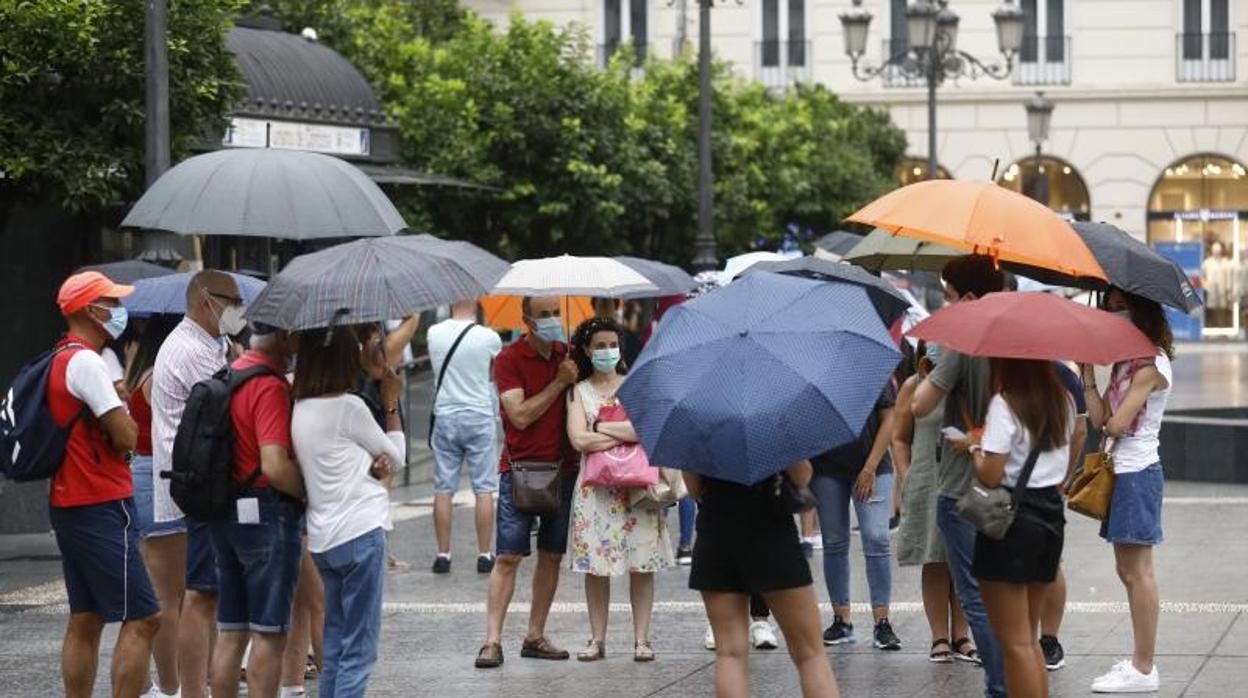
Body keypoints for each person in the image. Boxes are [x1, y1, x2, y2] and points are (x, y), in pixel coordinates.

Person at [45, 272, 161, 698]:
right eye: (111, 302)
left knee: (88, 615)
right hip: (100, 501)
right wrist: (121, 405)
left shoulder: (62, 356)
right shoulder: (87, 362)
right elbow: (128, 436)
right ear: (91, 310)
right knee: (145, 617)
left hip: (71, 500)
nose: (118, 311)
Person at [911, 254, 1009, 698]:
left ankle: (1000, 684)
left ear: (968, 298)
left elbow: (919, 406)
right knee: (1005, 589)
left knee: (974, 591)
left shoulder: (964, 346)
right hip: (1012, 483)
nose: (944, 305)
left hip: (962, 485)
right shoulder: (1017, 341)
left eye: (948, 297)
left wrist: (940, 358)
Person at [292, 326, 406, 697]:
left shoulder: (299, 407)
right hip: (360, 531)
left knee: (337, 645)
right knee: (359, 649)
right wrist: (391, 403)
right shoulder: (350, 407)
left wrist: (370, 464)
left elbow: (339, 459)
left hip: (324, 539)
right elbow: (398, 457)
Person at [149, 269, 245, 698]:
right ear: (207, 300)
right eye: (233, 302)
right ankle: (192, 690)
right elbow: (233, 404)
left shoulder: (209, 344)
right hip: (198, 487)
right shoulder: (190, 349)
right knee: (200, 594)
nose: (238, 311)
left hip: (200, 483)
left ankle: (201, 684)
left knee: (204, 593)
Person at [474, 296, 580, 669]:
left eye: (556, 313)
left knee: (552, 554)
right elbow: (518, 416)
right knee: (507, 556)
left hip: (564, 467)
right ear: (527, 321)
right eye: (544, 315)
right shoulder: (508, 359)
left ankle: (535, 634)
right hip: (520, 469)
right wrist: (558, 383)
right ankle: (491, 641)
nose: (553, 320)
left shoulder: (569, 355)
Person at [565, 317, 673, 662]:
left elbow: (648, 430)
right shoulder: (577, 391)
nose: (607, 351)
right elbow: (578, 439)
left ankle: (642, 640)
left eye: (612, 344)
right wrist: (621, 429)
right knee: (596, 567)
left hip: (638, 490)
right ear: (586, 350)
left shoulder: (636, 386)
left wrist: (601, 426)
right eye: (599, 346)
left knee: (643, 564)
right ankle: (597, 639)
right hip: (595, 493)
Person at [1082, 288, 1173, 694]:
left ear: (1138, 310)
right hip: (1121, 472)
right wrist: (1086, 374)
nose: (1109, 313)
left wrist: (1107, 417)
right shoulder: (1125, 362)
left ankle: (1143, 667)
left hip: (1138, 472)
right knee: (1126, 570)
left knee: (1138, 573)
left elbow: (1116, 425)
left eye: (1116, 306)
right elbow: (1099, 417)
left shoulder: (1151, 365)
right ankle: (1139, 660)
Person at [209, 323, 305, 698]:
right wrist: (304, 492)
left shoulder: (230, 373)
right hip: (265, 514)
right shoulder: (269, 385)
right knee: (269, 631)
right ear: (283, 337)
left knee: (231, 630)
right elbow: (274, 465)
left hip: (225, 510)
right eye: (296, 336)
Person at [686, 463, 839, 698]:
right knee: (810, 654)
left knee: (729, 653)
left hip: (716, 531)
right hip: (771, 528)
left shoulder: (697, 425)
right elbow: (802, 476)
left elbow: (695, 489)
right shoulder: (772, 425)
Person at [971, 358, 1074, 698]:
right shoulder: (1063, 400)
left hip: (1014, 523)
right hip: (1050, 517)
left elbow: (991, 474)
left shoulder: (1005, 403)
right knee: (1028, 639)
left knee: (1015, 642)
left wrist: (975, 450)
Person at [893, 342, 976, 664]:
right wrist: (907, 474)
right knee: (934, 558)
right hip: (926, 479)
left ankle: (962, 636)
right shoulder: (914, 385)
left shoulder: (972, 388)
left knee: (963, 560)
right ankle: (939, 636)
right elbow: (899, 437)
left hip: (965, 479)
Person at [810, 381, 902, 651]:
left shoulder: (872, 367)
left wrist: (870, 467)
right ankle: (842, 619)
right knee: (834, 541)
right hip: (826, 468)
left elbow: (889, 418)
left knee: (877, 539)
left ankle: (882, 621)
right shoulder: (818, 371)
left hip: (873, 465)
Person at [120, 313, 181, 697]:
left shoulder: (139, 372)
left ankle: (163, 684)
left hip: (142, 474)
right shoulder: (160, 375)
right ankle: (172, 686)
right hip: (158, 475)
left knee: (161, 590)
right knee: (169, 595)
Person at [427, 300, 503, 575]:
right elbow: (494, 375)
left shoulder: (433, 333)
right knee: (483, 488)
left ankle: (443, 554)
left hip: (445, 416)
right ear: (475, 301)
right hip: (479, 416)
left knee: (443, 488)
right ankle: (484, 554)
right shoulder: (489, 337)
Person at [1038, 360, 1091, 672]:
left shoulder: (1002, 372)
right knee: (1051, 563)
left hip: (1008, 485)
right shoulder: (1066, 376)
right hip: (1050, 487)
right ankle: (1049, 639)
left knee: (1010, 567)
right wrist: (1065, 476)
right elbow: (1081, 430)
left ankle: (1014, 640)